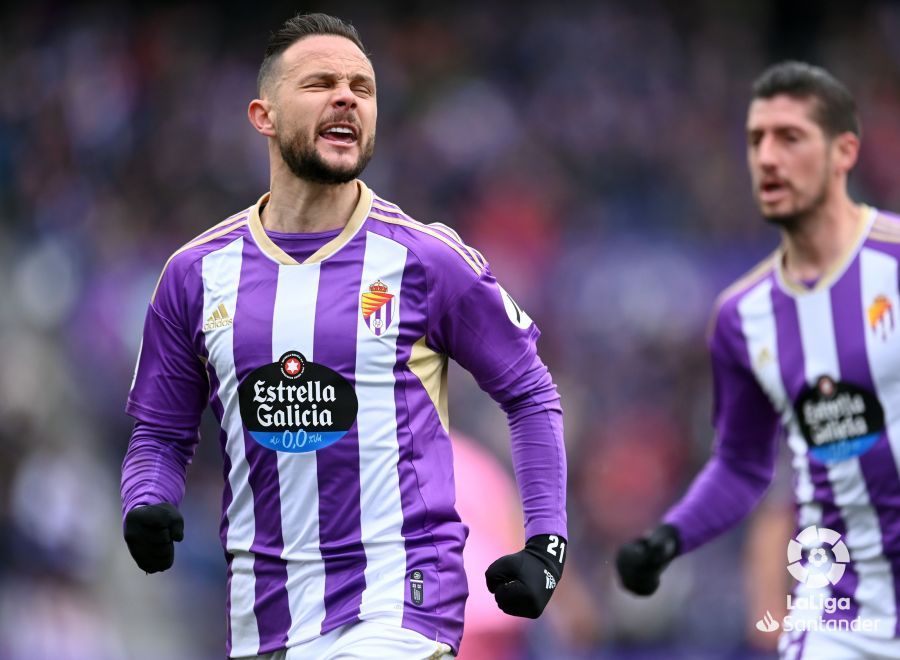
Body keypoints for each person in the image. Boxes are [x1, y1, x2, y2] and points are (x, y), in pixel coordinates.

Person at [120, 12, 567, 660]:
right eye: (321, 82)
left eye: (363, 86)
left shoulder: (425, 259)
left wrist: (546, 543)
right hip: (262, 621)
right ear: (262, 115)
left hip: (398, 611)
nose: (347, 98)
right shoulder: (195, 275)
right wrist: (147, 502)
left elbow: (529, 390)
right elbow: (160, 432)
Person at [616, 60, 900, 659]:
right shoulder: (741, 316)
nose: (767, 158)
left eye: (789, 138)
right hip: (840, 617)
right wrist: (669, 539)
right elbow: (742, 467)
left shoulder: (895, 263)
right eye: (756, 140)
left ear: (844, 152)